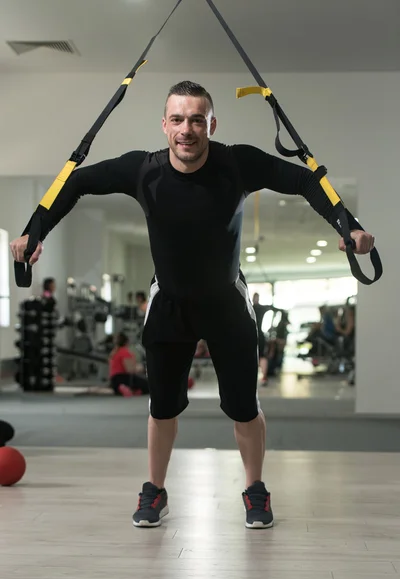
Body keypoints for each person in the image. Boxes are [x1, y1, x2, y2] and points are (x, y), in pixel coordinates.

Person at [10, 80, 375, 529]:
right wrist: (35, 232)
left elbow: (302, 178)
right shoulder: (143, 170)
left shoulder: (236, 163)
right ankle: (155, 490)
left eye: (197, 119)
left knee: (243, 405)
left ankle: (255, 488)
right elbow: (78, 180)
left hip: (227, 304)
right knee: (162, 406)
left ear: (211, 124)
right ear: (164, 125)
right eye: (178, 119)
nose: (187, 129)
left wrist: (348, 226)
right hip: (169, 304)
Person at [109, 332, 149, 396]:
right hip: (123, 379)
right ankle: (130, 389)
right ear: (127, 342)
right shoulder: (125, 352)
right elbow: (130, 370)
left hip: (114, 380)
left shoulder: (114, 352)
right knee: (148, 385)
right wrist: (142, 368)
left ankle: (129, 389)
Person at [252, 293, 274, 386]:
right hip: (259, 334)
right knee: (262, 356)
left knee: (253, 357)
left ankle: (255, 377)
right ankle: (264, 377)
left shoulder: (249, 307)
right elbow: (273, 308)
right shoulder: (261, 308)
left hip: (251, 334)